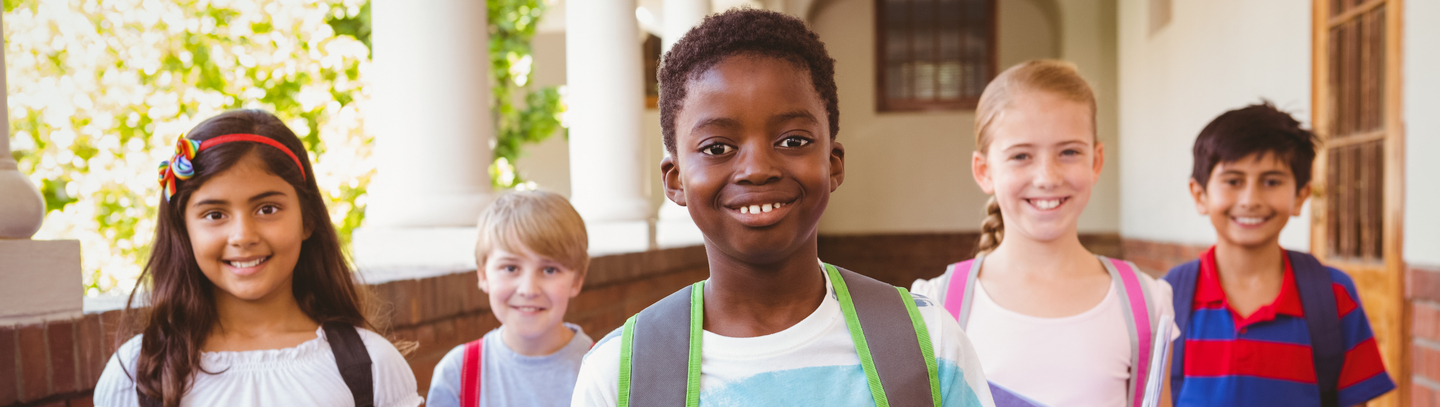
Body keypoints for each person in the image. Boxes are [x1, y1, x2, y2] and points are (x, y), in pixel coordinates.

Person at [571, 9, 993, 407]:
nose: (757, 169)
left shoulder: (928, 346)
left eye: (793, 141)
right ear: (676, 179)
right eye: (717, 147)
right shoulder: (620, 375)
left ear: (833, 163)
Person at [94, 110, 424, 407]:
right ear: (184, 231)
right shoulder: (138, 373)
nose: (243, 236)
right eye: (214, 214)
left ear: (307, 220)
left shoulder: (371, 365)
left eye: (267, 209)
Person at [911, 60, 1177, 407]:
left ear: (1096, 161)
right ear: (984, 170)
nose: (1047, 177)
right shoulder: (935, 306)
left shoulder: (1147, 302)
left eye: (1069, 152)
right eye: (1021, 155)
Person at [1164, 102, 1395, 406]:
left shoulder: (1333, 295)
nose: (1250, 200)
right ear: (1200, 195)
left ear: (1301, 196)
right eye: (1233, 181)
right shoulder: (1168, 297)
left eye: (1271, 181)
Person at [426, 190, 593, 407]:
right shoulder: (457, 374)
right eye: (511, 267)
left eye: (550, 269)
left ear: (577, 279)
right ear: (483, 275)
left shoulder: (605, 370)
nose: (528, 289)